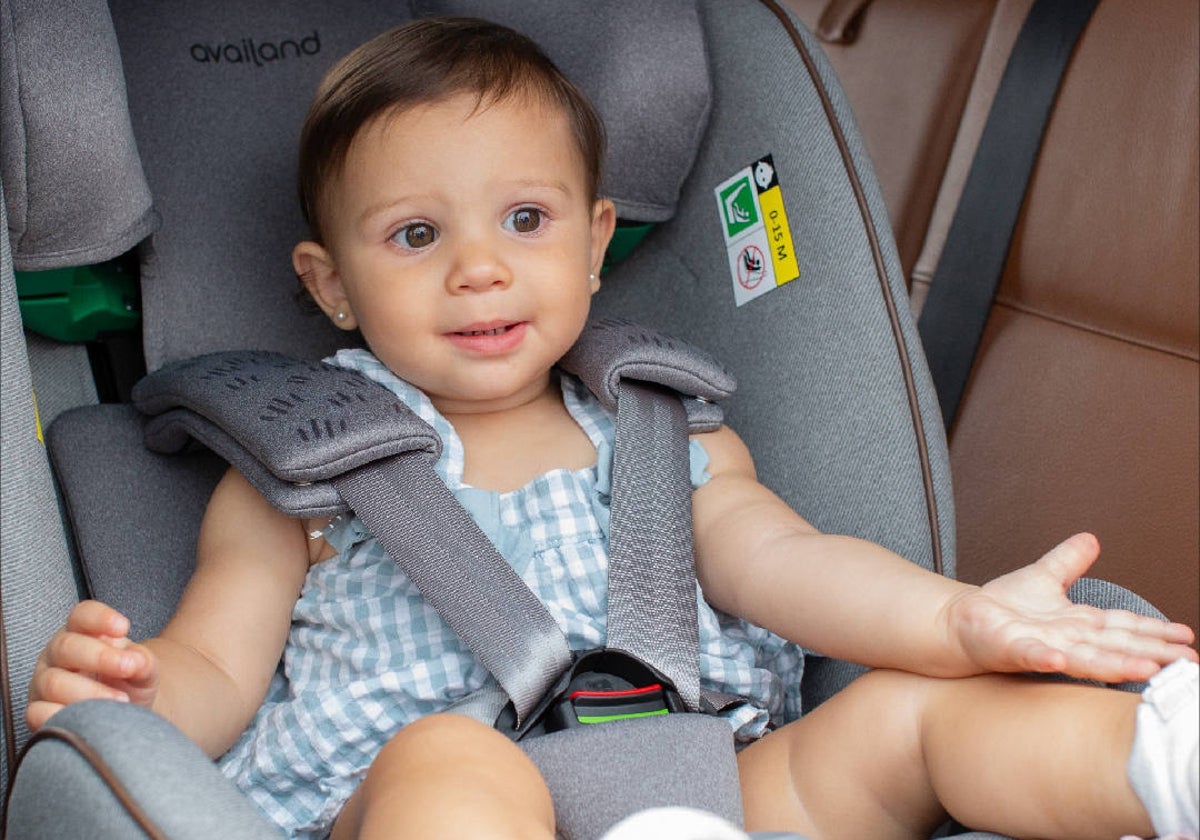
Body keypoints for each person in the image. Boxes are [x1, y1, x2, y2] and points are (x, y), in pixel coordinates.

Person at [27, 17, 1199, 840]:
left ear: (594, 246)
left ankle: (1163, 770)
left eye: (524, 219)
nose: (481, 270)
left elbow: (790, 568)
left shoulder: (666, 433)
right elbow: (220, 662)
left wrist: (964, 623)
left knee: (915, 717)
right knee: (454, 761)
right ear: (331, 287)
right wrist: (138, 694)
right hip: (427, 795)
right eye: (416, 237)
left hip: (712, 788)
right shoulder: (305, 477)